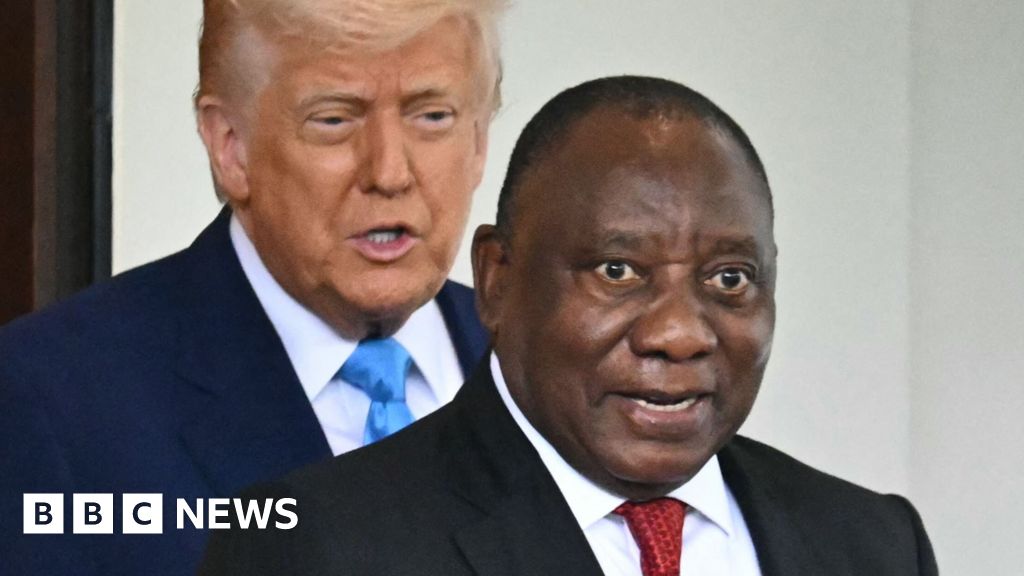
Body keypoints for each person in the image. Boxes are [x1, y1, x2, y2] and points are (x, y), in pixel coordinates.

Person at [200, 76, 938, 575]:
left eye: (729, 279)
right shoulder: (317, 548)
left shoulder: (872, 545)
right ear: (497, 279)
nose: (680, 333)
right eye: (618, 271)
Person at [0, 1, 506, 574]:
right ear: (230, 147)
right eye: (334, 120)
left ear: (479, 141)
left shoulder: (546, 373)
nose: (389, 173)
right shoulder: (53, 401)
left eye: (433, 116)